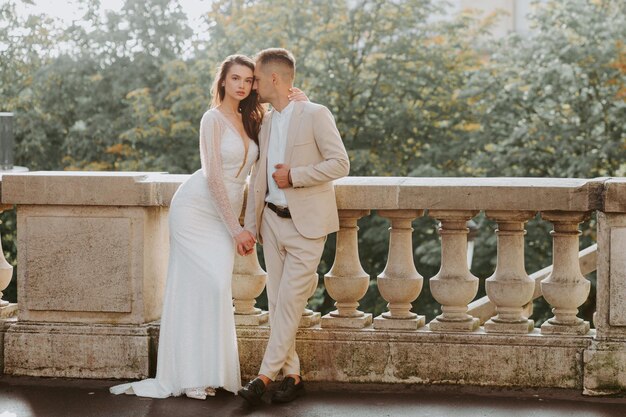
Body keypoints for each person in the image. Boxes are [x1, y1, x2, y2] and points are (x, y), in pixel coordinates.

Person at [110, 55, 306, 400]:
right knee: (197, 288)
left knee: (216, 291)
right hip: (196, 210)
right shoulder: (211, 119)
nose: (243, 85)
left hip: (226, 214)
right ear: (223, 82)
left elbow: (253, 176)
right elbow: (214, 177)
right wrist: (237, 230)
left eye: (248, 80)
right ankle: (188, 376)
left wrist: (299, 102)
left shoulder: (253, 118)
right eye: (236, 79)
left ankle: (211, 371)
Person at [238, 48, 350, 405]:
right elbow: (258, 178)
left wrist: (296, 177)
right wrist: (251, 224)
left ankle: (263, 376)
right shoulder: (267, 119)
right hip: (271, 221)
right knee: (277, 302)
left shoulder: (316, 113)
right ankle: (293, 375)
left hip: (306, 226)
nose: (252, 85)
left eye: (254, 78)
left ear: (273, 79)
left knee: (289, 301)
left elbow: (340, 163)